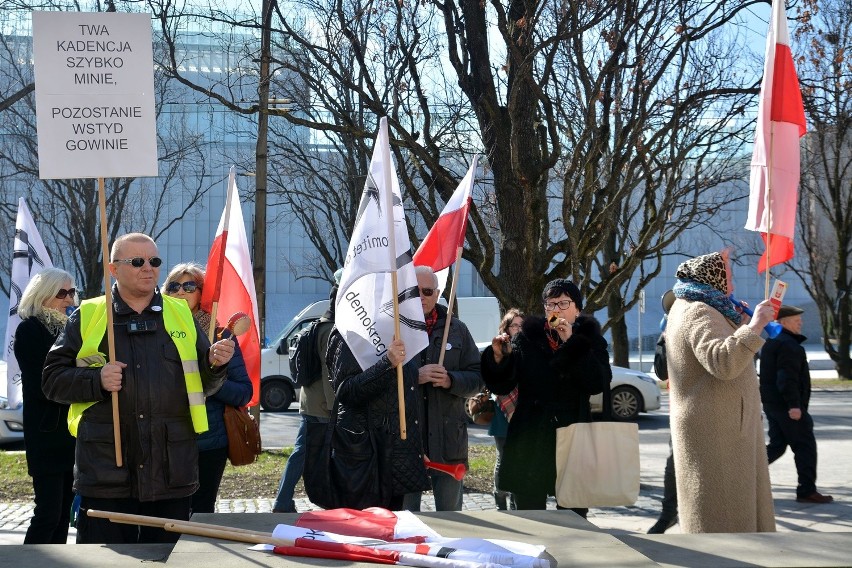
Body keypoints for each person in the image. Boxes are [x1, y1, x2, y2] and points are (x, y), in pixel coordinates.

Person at [42, 233, 234, 545]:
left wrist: (215, 365)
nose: (149, 268)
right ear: (113, 269)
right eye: (137, 261)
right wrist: (96, 380)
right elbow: (52, 380)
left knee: (169, 561)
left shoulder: (180, 313)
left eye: (155, 261)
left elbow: (205, 385)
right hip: (108, 474)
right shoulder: (88, 315)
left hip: (172, 472)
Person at [666, 250, 776, 533]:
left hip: (720, 426)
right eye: (727, 272)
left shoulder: (699, 304)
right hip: (717, 431)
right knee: (726, 518)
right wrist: (755, 325)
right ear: (711, 275)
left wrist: (739, 323)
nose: (732, 279)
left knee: (727, 513)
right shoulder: (699, 310)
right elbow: (723, 362)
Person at [481, 279, 610, 515]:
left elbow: (597, 382)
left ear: (577, 309)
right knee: (530, 514)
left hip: (572, 436)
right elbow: (504, 384)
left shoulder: (590, 340)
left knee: (573, 515)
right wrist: (499, 359)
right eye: (550, 304)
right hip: (532, 437)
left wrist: (572, 342)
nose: (556, 310)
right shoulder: (527, 338)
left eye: (563, 303)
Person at [163, 262, 253, 514]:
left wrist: (211, 376)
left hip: (208, 442)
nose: (181, 292)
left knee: (200, 510)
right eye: (174, 286)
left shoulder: (220, 336)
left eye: (189, 286)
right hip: (164, 438)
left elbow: (244, 392)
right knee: (167, 510)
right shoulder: (155, 330)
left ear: (203, 293)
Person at [403, 266, 483, 512]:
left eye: (427, 291)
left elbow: (479, 378)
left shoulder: (457, 329)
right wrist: (414, 377)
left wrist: (451, 380)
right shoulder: (394, 329)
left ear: (437, 294)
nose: (422, 297)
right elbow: (377, 380)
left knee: (451, 518)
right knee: (407, 520)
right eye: (415, 292)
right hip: (406, 442)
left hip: (448, 442)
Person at [325, 327, 431, 510]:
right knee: (363, 533)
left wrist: (415, 450)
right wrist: (387, 363)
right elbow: (346, 392)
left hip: (395, 457)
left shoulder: (397, 331)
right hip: (364, 459)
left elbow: (403, 399)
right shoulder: (347, 332)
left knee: (390, 531)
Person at [14, 268, 78, 544]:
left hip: (71, 433)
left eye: (72, 292)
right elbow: (42, 384)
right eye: (61, 293)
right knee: (48, 513)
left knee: (64, 513)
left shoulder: (72, 329)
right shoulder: (30, 329)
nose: (69, 299)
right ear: (43, 296)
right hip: (46, 434)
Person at [272, 284, 337, 513]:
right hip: (323, 407)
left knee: (302, 452)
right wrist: (334, 409)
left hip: (311, 403)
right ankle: (284, 502)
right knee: (305, 454)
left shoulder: (317, 325)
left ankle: (284, 500)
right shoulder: (330, 331)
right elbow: (330, 374)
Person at [760, 304, 833, 504]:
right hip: (787, 407)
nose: (800, 323)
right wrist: (794, 405)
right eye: (796, 320)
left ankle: (741, 475)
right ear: (783, 322)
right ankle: (807, 491)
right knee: (805, 447)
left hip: (773, 405)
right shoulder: (788, 345)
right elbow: (787, 378)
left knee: (777, 446)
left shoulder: (772, 342)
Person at [648, 290, 678, 534]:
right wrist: (665, 338)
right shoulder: (667, 333)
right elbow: (662, 371)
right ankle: (669, 514)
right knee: (674, 464)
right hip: (684, 411)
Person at [488, 308, 524, 510]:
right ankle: (500, 497)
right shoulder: (499, 347)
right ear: (507, 328)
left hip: (523, 410)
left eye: (521, 325)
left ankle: (516, 501)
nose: (518, 328)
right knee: (504, 457)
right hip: (502, 409)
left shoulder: (529, 347)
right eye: (515, 325)